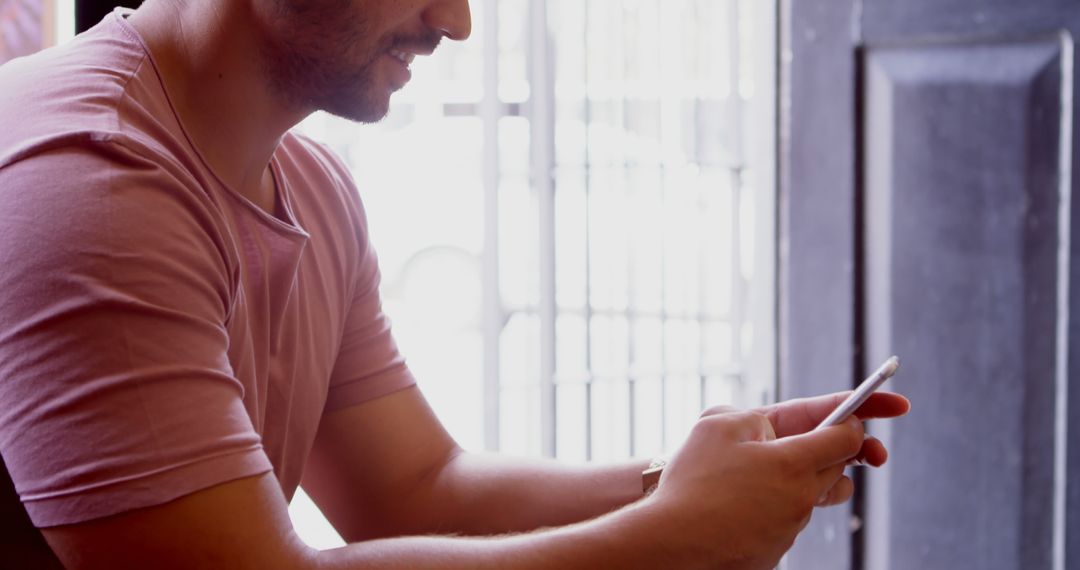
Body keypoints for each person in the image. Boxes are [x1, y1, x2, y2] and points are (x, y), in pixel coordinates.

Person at [0, 0, 910, 568]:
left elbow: (418, 484)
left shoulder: (311, 183)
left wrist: (693, 478)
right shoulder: (92, 179)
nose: (457, 19)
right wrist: (676, 537)